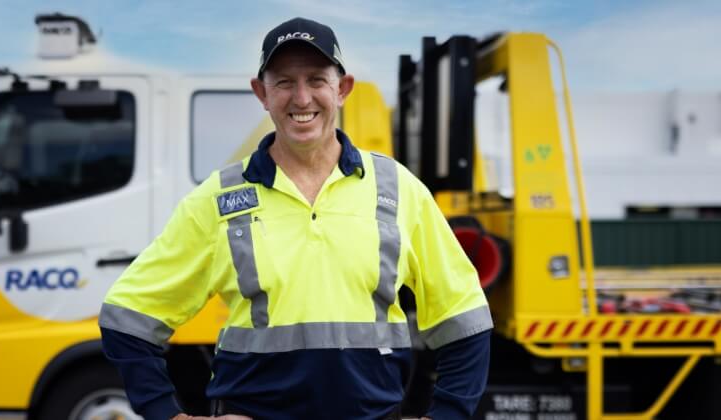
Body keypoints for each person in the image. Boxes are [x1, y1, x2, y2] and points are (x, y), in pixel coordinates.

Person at [99, 17, 492, 420]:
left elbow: (464, 316)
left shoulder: (398, 189)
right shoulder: (218, 200)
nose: (302, 98)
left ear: (342, 89)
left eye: (317, 80)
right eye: (284, 82)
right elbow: (127, 315)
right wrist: (168, 414)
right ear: (262, 94)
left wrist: (447, 415)